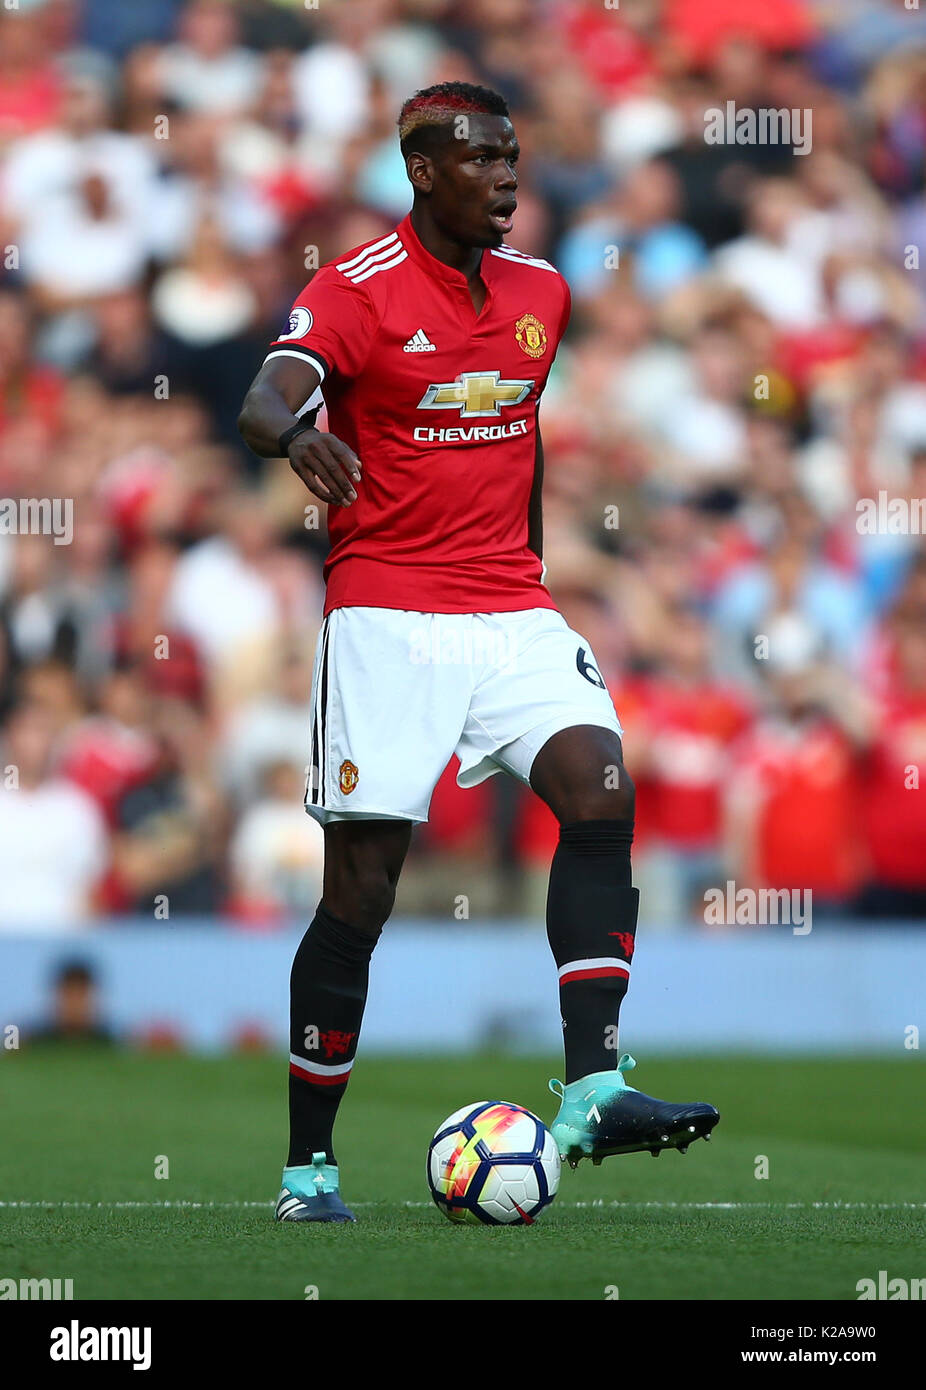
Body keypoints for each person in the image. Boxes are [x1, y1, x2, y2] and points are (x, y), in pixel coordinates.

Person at [238, 82, 718, 1224]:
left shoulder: (541, 294)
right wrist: (299, 434)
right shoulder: (351, 291)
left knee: (601, 787)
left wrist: (535, 573)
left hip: (506, 605)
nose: (508, 178)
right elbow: (265, 398)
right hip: (386, 617)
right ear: (423, 173)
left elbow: (523, 435)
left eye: (514, 158)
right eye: (484, 160)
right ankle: (309, 1169)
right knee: (361, 893)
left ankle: (593, 1086)